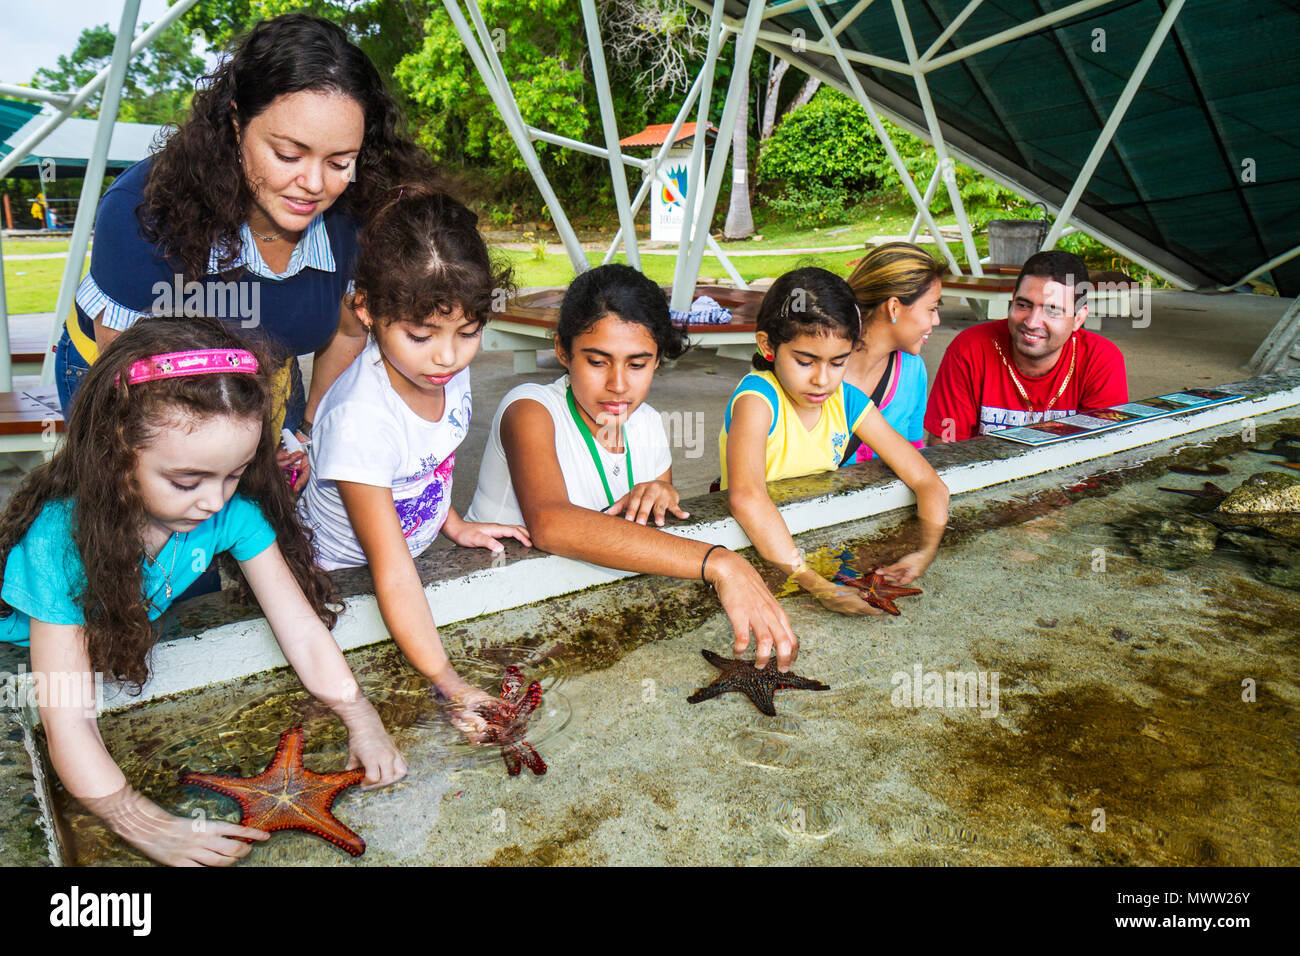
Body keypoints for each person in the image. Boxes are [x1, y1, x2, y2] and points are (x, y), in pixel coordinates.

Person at [0, 315, 405, 867]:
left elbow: (304, 632)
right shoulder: (59, 543)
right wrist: (143, 822)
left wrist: (362, 718)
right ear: (118, 451)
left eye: (235, 473)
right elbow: (69, 720)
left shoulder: (228, 514)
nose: (215, 501)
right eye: (188, 482)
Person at [56, 12, 441, 492]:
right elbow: (135, 386)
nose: (316, 185)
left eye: (341, 162)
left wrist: (304, 430)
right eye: (288, 155)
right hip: (131, 372)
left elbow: (346, 331)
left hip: (264, 366)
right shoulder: (143, 212)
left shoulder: (358, 213)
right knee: (154, 506)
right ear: (236, 122)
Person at [468, 264, 799, 670]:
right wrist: (722, 562)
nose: (619, 384)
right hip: (490, 617)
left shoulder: (648, 424)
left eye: (637, 364)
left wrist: (662, 493)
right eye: (597, 361)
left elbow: (653, 535)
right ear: (561, 350)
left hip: (579, 615)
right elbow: (551, 523)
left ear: (658, 360)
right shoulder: (530, 409)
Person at [298, 186, 527, 734]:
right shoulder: (361, 420)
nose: (448, 356)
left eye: (468, 332)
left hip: (406, 550)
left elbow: (433, 458)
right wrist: (451, 684)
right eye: (421, 335)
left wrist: (454, 523)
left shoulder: (440, 365)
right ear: (367, 310)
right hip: (342, 573)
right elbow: (393, 573)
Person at [720, 267, 949, 616]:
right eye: (805, 361)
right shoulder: (758, 401)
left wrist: (924, 550)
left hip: (816, 556)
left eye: (838, 362)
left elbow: (926, 480)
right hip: (755, 557)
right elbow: (748, 499)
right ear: (768, 345)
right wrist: (815, 585)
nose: (822, 380)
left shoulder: (847, 400)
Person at [924, 249, 1128, 442]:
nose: (1031, 322)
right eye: (1023, 305)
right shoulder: (970, 349)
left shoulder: (1101, 359)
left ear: (1079, 318)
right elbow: (945, 444)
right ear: (1012, 299)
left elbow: (1099, 451)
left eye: (1052, 310)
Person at [841, 242, 943, 464]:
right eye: (931, 309)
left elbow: (915, 453)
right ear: (893, 307)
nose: (936, 320)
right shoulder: (820, 370)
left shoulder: (912, 369)